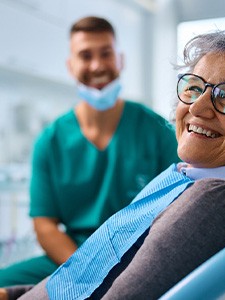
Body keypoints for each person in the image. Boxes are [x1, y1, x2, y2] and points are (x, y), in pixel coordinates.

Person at [1, 29, 225, 300]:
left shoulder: (217, 200)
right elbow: (87, 280)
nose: (197, 106)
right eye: (195, 88)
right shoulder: (190, 181)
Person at [0, 16, 179, 287]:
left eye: (106, 54)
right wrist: (85, 270)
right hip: (72, 256)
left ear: (120, 60)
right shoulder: (50, 142)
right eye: (85, 55)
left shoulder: (156, 131)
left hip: (140, 254)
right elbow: (45, 225)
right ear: (71, 66)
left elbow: (179, 205)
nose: (96, 65)